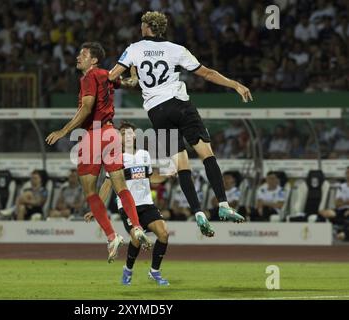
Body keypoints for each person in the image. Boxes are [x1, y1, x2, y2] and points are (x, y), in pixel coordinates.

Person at [108, 11, 252, 238]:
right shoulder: (176, 49)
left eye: (142, 25)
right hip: (179, 105)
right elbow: (207, 73)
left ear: (146, 27)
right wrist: (234, 84)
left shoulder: (134, 48)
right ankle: (223, 204)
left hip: (157, 112)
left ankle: (197, 212)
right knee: (206, 154)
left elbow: (113, 75)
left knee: (182, 165)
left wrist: (127, 80)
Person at [45, 42, 151, 263]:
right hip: (111, 133)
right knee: (120, 185)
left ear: (93, 60)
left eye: (83, 54)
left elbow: (85, 108)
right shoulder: (106, 75)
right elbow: (132, 83)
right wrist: (133, 73)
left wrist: (63, 130)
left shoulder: (88, 78)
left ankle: (112, 236)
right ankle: (137, 227)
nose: (78, 57)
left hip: (93, 136)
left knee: (90, 192)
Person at [85, 121, 170, 285]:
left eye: (130, 132)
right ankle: (128, 270)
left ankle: (155, 272)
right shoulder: (116, 158)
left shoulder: (144, 154)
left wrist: (167, 175)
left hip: (147, 203)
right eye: (123, 133)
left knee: (164, 234)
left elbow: (151, 178)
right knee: (136, 238)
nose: (127, 135)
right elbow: (107, 185)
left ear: (135, 135)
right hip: (128, 206)